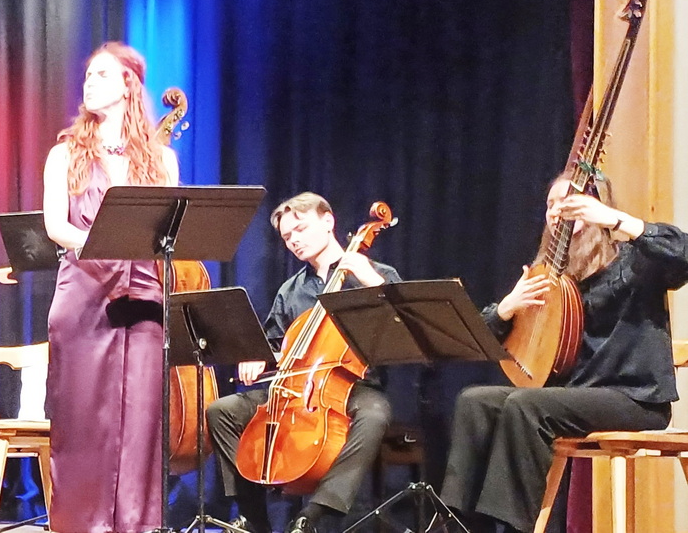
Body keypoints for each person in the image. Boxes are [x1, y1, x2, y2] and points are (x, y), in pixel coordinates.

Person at [441, 172, 686, 533]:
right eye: (550, 204)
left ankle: (512, 528)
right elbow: (482, 342)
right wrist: (506, 309)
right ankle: (458, 524)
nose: (557, 211)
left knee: (525, 406)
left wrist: (617, 220)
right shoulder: (555, 277)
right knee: (475, 401)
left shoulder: (637, 261)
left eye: (568, 202)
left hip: (635, 399)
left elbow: (683, 254)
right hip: (576, 396)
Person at [205, 193, 403, 533]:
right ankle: (254, 518)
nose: (293, 240)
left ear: (328, 221)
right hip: (298, 388)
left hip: (357, 385)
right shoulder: (291, 289)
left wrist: (371, 280)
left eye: (300, 229)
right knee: (221, 411)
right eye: (286, 237)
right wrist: (257, 356)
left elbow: (407, 325)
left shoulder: (377, 274)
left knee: (375, 415)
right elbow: (274, 344)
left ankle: (315, 513)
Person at [41, 42, 178, 533]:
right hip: (84, 291)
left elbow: (169, 231)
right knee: (83, 424)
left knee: (141, 420)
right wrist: (103, 243)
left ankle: (137, 525)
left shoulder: (162, 159)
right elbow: (56, 225)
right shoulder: (64, 153)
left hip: (143, 292)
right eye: (87, 75)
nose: (89, 82)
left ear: (128, 84)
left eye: (102, 74)